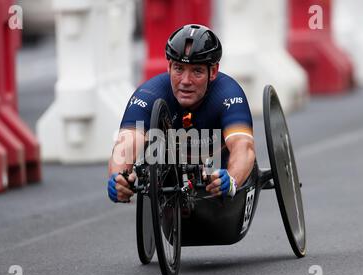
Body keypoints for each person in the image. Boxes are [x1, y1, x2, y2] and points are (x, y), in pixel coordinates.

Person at [107, 24, 255, 203]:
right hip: (171, 170)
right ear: (169, 66)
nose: (185, 81)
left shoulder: (228, 93)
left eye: (197, 71)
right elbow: (126, 143)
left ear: (213, 72)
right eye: (179, 69)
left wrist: (231, 180)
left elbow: (243, 146)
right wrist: (118, 179)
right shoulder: (149, 94)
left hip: (219, 168)